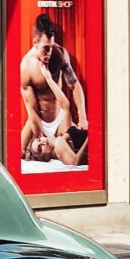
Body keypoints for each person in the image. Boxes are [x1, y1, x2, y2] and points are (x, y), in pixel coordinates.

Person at [19, 14, 88, 168]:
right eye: (45, 48)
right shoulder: (26, 67)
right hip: (38, 120)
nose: (49, 53)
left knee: (70, 149)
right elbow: (31, 109)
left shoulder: (59, 54)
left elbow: (74, 85)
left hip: (61, 118)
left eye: (51, 46)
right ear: (35, 42)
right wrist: (40, 136)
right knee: (20, 154)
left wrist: (82, 116)